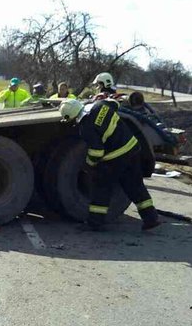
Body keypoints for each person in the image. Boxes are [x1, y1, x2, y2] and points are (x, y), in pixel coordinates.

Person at [59, 98, 160, 232]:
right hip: (133, 149)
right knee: (135, 185)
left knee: (102, 187)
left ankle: (94, 223)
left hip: (116, 157)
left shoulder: (86, 126)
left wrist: (89, 165)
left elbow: (97, 152)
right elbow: (115, 104)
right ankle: (151, 218)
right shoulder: (101, 105)